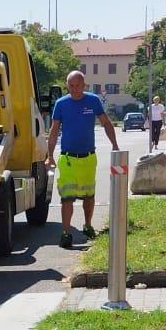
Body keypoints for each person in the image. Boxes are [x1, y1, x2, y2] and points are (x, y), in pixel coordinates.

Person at [41, 69, 119, 250]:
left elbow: (106, 123)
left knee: (88, 196)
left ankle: (88, 225)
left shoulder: (93, 101)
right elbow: (53, 131)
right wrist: (49, 156)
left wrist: (114, 145)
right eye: (71, 86)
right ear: (67, 86)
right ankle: (66, 233)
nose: (74, 89)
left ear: (84, 85)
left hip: (88, 158)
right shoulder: (61, 104)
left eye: (78, 86)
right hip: (68, 158)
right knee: (67, 197)